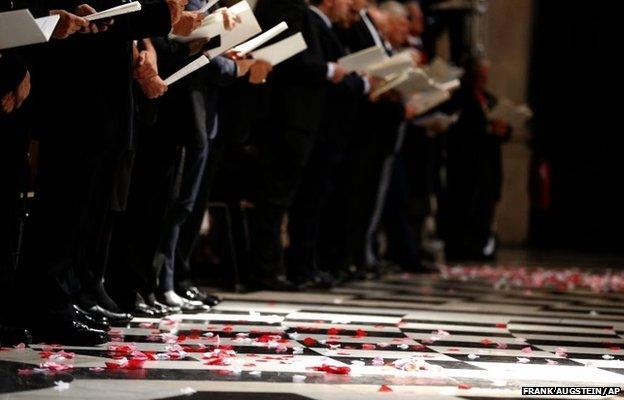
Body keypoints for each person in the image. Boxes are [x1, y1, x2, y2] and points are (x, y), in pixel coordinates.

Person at [15, 0, 185, 345]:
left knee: (82, 208)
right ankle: (49, 303)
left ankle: (63, 296)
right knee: (63, 205)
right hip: (78, 97)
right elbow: (93, 22)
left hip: (101, 99)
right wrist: (160, 14)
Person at [248, 0, 349, 290]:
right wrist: (328, 71)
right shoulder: (286, 6)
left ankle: (276, 267)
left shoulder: (293, 8)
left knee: (282, 197)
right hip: (286, 118)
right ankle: (267, 269)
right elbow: (288, 58)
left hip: (295, 120)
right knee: (274, 198)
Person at [286, 0, 372, 288]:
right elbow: (305, 65)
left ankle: (309, 264)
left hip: (325, 127)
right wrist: (360, 84)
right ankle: (302, 265)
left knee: (316, 199)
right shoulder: (309, 19)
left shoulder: (322, 25)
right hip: (318, 125)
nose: (351, 9)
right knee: (309, 200)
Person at [441, 56, 511, 261]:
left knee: (484, 207)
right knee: (463, 206)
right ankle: (461, 247)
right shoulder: (460, 97)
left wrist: (504, 130)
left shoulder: (489, 99)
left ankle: (480, 246)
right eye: (479, 74)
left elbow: (505, 126)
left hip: (488, 163)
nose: (483, 79)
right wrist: (487, 128)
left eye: (485, 75)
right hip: (465, 162)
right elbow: (456, 127)